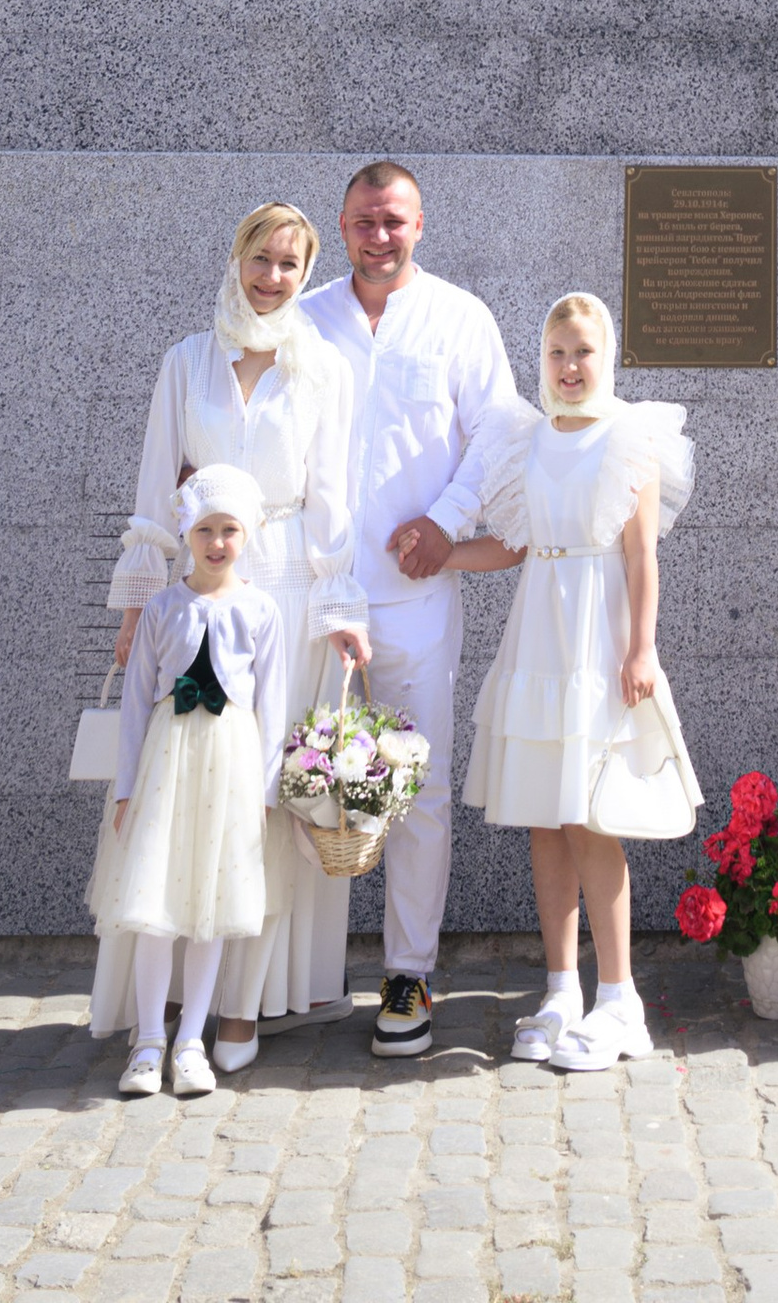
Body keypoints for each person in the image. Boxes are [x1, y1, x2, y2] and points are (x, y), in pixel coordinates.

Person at [96, 204, 370, 1070]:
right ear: (237, 257)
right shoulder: (186, 360)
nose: (274, 277)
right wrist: (140, 606)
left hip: (284, 590)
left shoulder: (320, 367)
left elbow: (334, 501)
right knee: (182, 787)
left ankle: (243, 1009)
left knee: (262, 800)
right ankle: (162, 1013)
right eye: (262, 259)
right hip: (196, 590)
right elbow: (152, 491)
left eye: (292, 264)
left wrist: (342, 614)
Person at [442, 291, 698, 1074]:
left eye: (583, 351)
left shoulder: (631, 438)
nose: (570, 366)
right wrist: (439, 555)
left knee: (593, 816)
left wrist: (641, 649)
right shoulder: (528, 440)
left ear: (606, 355)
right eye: (556, 353)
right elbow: (512, 547)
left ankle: (620, 1000)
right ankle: (560, 989)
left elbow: (641, 557)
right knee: (545, 819)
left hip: (600, 638)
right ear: (541, 360)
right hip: (538, 638)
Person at [301, 158, 516, 1057]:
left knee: (412, 794)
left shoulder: (460, 319)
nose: (378, 236)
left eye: (393, 220)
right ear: (340, 226)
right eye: (362, 221)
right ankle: (295, 978)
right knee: (307, 787)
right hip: (316, 596)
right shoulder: (306, 318)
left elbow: (501, 431)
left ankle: (407, 973)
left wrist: (446, 520)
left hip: (420, 596)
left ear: (420, 225)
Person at [89, 464, 287, 1102]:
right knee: (155, 908)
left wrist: (264, 793)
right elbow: (136, 702)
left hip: (229, 769)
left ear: (247, 534)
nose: (218, 542)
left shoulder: (260, 611)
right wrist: (125, 787)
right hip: (166, 766)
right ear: (188, 533)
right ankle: (149, 1040)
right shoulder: (163, 609)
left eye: (230, 530)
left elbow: (273, 708)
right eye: (206, 529)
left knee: (209, 907)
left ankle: (192, 1041)